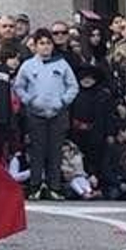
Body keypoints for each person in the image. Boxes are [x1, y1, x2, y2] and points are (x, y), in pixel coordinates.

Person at [13, 28, 79, 201]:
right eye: (41, 43)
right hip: (36, 114)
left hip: (57, 113)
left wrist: (63, 101)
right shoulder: (28, 65)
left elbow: (73, 86)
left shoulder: (62, 64)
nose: (45, 47)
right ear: (35, 46)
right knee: (37, 151)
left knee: (55, 151)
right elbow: (18, 86)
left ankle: (54, 187)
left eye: (48, 43)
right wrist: (29, 100)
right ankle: (35, 186)